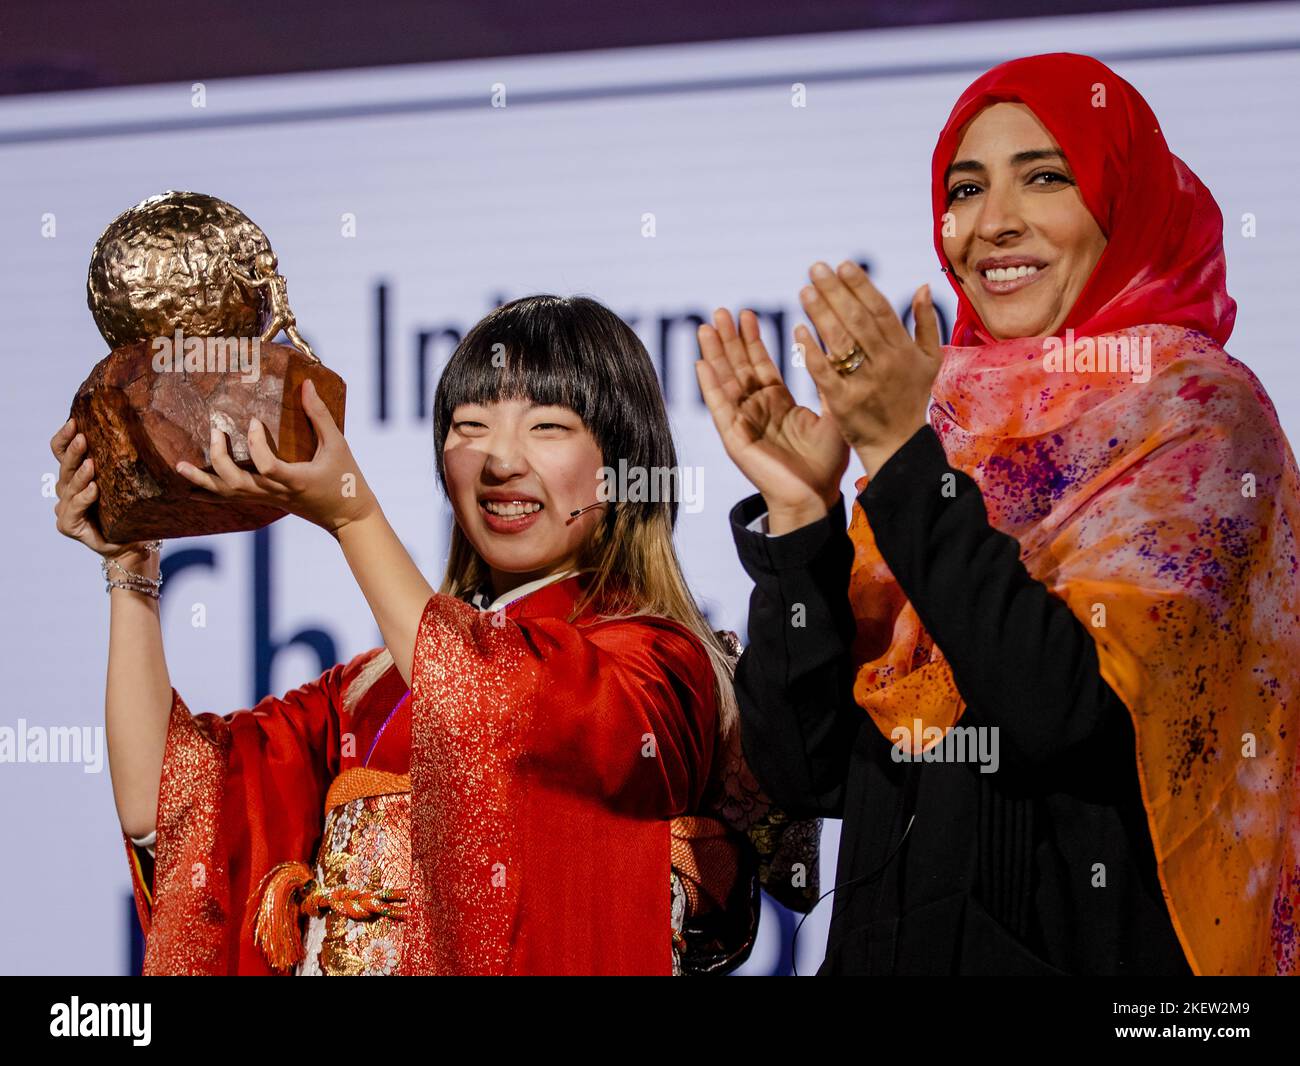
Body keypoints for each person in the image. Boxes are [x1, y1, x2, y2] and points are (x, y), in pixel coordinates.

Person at [696, 53, 1300, 975]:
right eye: (966, 188)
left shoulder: (1200, 419)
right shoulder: (947, 424)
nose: (993, 224)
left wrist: (902, 460)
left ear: (1123, 205)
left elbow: (1067, 709)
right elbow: (808, 768)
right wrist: (803, 518)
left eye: (1046, 177)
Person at [54, 293, 817, 975]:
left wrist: (352, 515)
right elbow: (168, 802)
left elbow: (492, 707)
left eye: (548, 426)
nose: (499, 462)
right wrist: (133, 562)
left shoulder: (660, 663)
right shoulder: (369, 687)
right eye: (469, 427)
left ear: (623, 465)